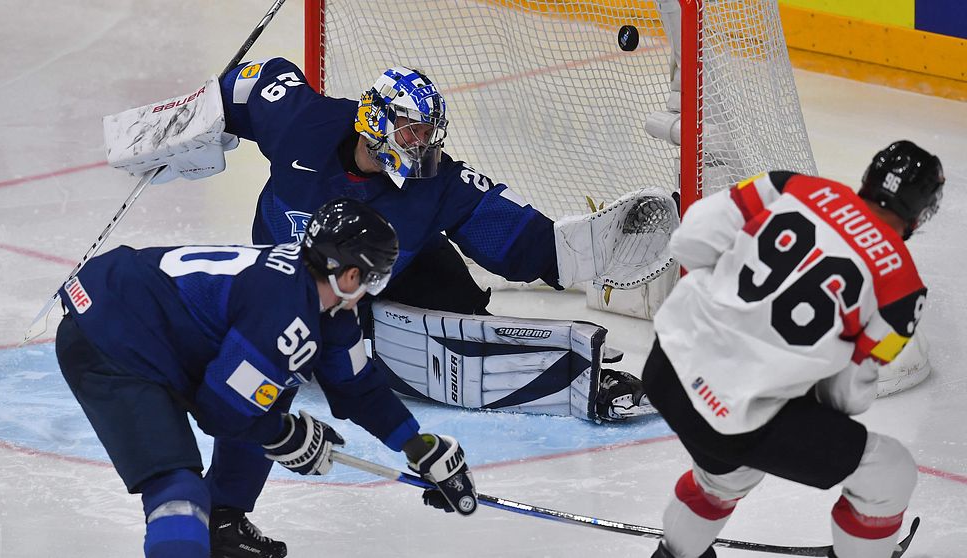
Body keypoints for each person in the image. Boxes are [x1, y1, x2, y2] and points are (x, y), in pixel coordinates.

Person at [212, 58, 663, 423]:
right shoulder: (306, 122)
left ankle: (532, 362)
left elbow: (519, 240)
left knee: (450, 290)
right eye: (413, 130)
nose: (424, 144)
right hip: (289, 272)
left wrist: (584, 251)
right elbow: (257, 81)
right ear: (376, 120)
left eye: (429, 133)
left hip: (383, 276)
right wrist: (199, 117)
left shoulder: (438, 182)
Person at [54, 198, 478, 558]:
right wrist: (285, 434)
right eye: (373, 277)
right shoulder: (284, 313)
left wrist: (419, 446)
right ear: (351, 275)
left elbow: (356, 386)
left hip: (148, 321)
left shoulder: (323, 302)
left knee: (270, 395)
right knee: (178, 489)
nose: (371, 289)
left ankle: (223, 522)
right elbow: (220, 411)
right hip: (109, 332)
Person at [639, 141, 945, 558]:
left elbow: (690, 239)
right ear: (922, 213)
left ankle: (674, 551)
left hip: (666, 366)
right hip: (735, 418)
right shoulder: (903, 290)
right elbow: (845, 395)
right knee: (888, 473)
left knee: (727, 475)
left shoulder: (789, 185)